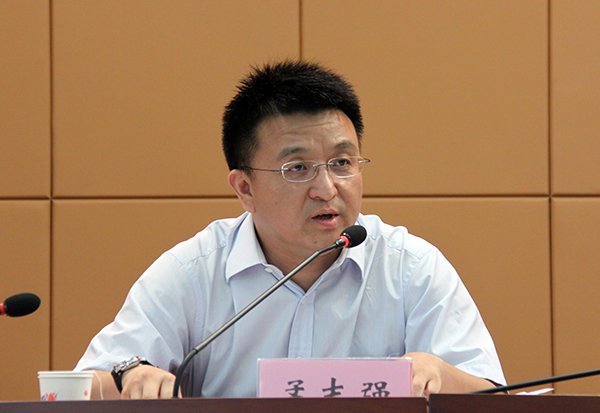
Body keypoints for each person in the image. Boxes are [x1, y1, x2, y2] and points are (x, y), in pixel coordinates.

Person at [75, 60, 505, 399]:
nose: (327, 188)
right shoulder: (193, 272)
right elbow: (82, 386)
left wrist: (440, 373)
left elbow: (495, 396)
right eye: (297, 168)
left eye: (342, 163)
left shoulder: (411, 267)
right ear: (245, 188)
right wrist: (131, 374)